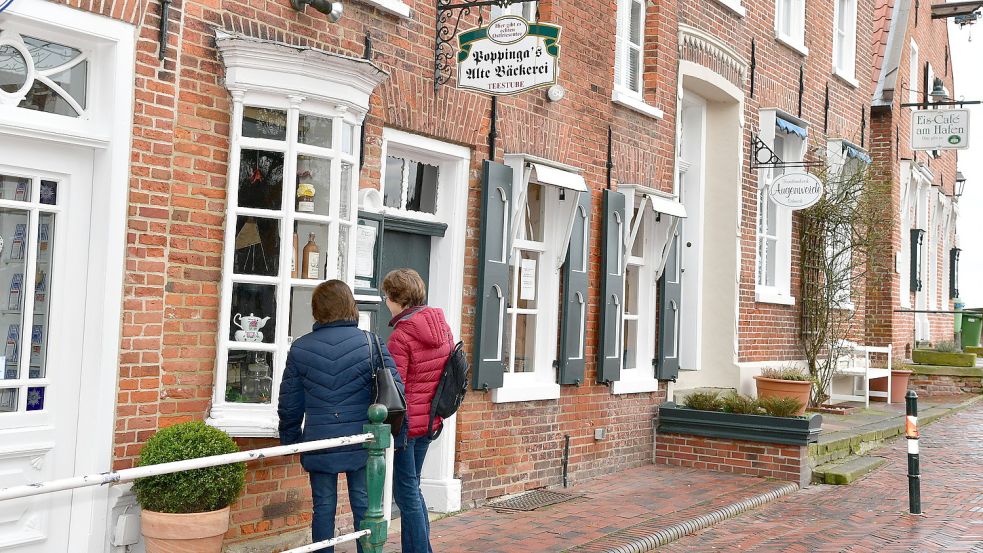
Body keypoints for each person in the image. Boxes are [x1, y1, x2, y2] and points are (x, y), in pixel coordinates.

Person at [278, 279, 403, 552]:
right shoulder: (371, 343)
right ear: (350, 305)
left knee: (323, 506)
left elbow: (290, 402)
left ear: (317, 309)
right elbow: (396, 390)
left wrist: (290, 439)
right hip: (363, 439)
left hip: (319, 439)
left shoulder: (301, 348)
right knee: (363, 503)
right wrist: (395, 433)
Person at [382, 268, 454, 553]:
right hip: (430, 422)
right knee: (412, 488)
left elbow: (394, 388)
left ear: (398, 299)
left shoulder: (401, 336)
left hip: (407, 427)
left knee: (406, 492)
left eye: (387, 295)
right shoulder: (442, 326)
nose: (385, 301)